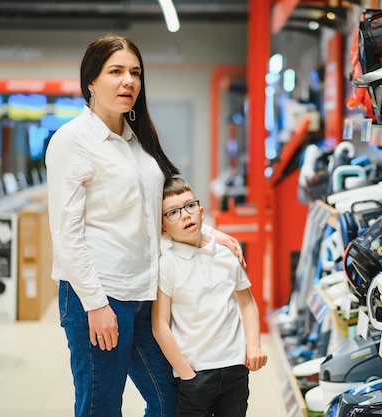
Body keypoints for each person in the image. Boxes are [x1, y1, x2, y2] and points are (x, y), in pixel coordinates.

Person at [46, 34, 244, 417]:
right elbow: (66, 234)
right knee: (101, 405)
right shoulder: (72, 141)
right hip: (100, 295)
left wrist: (206, 234)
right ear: (90, 81)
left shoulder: (136, 141)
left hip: (145, 294)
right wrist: (96, 304)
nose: (129, 82)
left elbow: (153, 213)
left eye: (135, 73)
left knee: (171, 400)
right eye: (116, 71)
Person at [152, 177, 268, 417]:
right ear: (163, 229)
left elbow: (247, 303)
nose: (185, 215)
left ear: (202, 211)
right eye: (172, 212)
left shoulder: (226, 255)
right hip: (196, 373)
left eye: (189, 206)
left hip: (235, 367)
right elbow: (160, 325)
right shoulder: (167, 265)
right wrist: (185, 373)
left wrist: (253, 345)